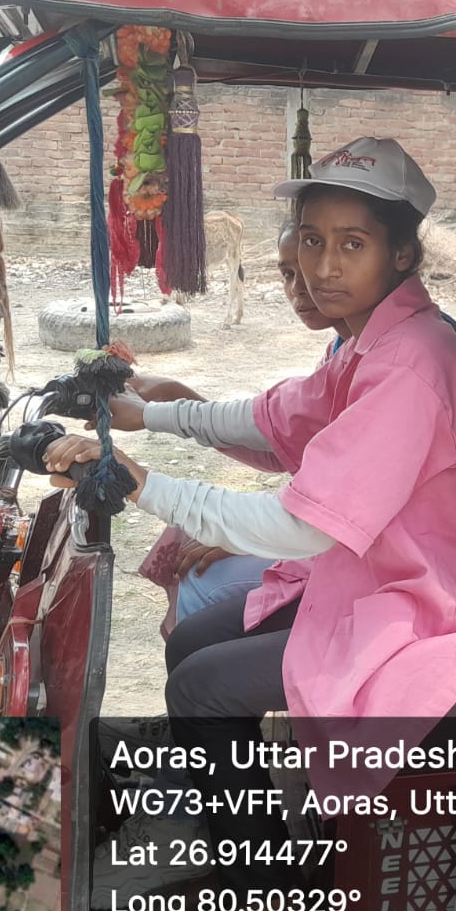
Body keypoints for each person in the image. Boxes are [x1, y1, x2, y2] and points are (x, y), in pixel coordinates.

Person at [45, 136, 456, 911]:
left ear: (402, 253)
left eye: (352, 245)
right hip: (367, 581)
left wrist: (145, 485)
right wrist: (151, 414)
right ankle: (244, 826)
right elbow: (271, 417)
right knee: (193, 640)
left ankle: (273, 889)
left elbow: (299, 524)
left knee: (201, 689)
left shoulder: (411, 366)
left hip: (424, 608)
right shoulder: (369, 341)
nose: (323, 267)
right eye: (313, 241)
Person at [134, 218, 351, 635]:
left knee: (202, 584)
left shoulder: (388, 363)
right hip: (317, 526)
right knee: (184, 535)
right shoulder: (341, 349)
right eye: (289, 274)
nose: (302, 287)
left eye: (311, 270)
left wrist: (242, 537)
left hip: (345, 548)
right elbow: (282, 444)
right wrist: (178, 397)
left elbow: (320, 519)